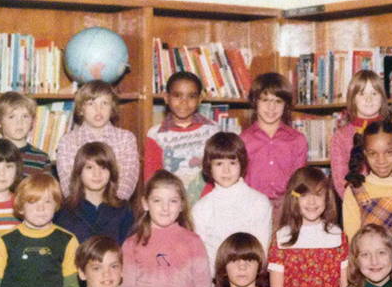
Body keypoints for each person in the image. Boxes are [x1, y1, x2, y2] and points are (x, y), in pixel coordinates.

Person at [192, 132, 272, 275]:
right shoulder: (201, 208)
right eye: (219, 164)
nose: (226, 170)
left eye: (232, 163)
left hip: (251, 281)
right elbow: (201, 257)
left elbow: (262, 251)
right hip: (215, 282)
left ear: (242, 164)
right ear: (208, 166)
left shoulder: (259, 202)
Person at [240, 72, 307, 224]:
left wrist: (292, 209)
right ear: (255, 102)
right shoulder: (243, 140)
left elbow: (299, 181)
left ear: (286, 105)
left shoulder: (297, 139)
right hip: (252, 206)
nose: (271, 107)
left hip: (287, 207)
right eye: (265, 100)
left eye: (278, 101)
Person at [55, 80, 139, 201]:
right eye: (91, 103)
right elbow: (68, 184)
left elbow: (127, 181)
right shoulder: (68, 141)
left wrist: (109, 208)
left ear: (112, 108)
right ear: (80, 110)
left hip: (116, 209)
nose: (98, 109)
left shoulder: (126, 139)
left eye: (104, 103)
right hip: (79, 210)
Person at [144, 71, 219, 204]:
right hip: (170, 204)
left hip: (209, 202)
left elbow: (219, 168)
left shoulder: (213, 131)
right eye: (177, 95)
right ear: (166, 98)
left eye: (191, 96)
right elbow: (151, 178)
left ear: (199, 99)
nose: (184, 102)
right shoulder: (156, 135)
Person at [342, 119, 392, 240]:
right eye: (373, 154)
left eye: (388, 152)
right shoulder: (355, 190)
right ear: (365, 153)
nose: (381, 161)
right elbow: (353, 238)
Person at [54, 142, 134, 245]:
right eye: (89, 167)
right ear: (79, 172)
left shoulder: (124, 211)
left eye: (103, 168)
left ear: (111, 172)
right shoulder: (63, 211)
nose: (97, 174)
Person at [330, 70, 390, 198]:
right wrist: (359, 203)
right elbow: (341, 181)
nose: (369, 99)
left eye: (374, 93)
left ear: (382, 98)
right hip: (356, 205)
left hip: (391, 201)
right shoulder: (341, 137)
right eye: (362, 94)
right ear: (353, 99)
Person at [0, 91, 53, 177]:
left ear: (33, 121)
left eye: (25, 116)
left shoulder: (41, 158)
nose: (19, 123)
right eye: (11, 117)